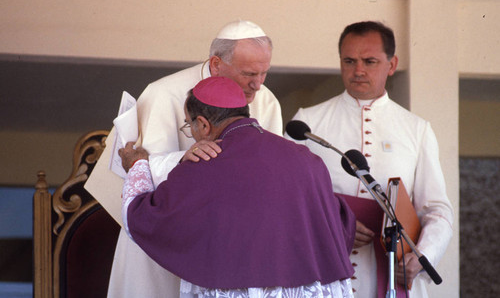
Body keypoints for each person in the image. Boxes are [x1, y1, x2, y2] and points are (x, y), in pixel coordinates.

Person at [84, 20, 283, 298]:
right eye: (249, 73)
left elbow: (270, 175)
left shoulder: (266, 101)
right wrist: (183, 159)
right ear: (216, 64)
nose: (258, 85)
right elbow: (143, 173)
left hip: (226, 241)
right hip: (160, 241)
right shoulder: (163, 93)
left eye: (264, 73)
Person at [119, 76, 356, 298]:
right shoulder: (306, 158)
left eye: (189, 126)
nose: (191, 134)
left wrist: (138, 164)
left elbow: (143, 217)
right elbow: (340, 220)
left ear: (203, 124)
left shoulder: (204, 164)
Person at [287, 21, 453, 298]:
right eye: (349, 61)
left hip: (392, 269)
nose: (358, 70)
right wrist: (331, 227)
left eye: (369, 61)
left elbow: (437, 210)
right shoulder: (307, 123)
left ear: (391, 64)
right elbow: (285, 201)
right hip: (323, 270)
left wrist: (423, 256)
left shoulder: (416, 129)